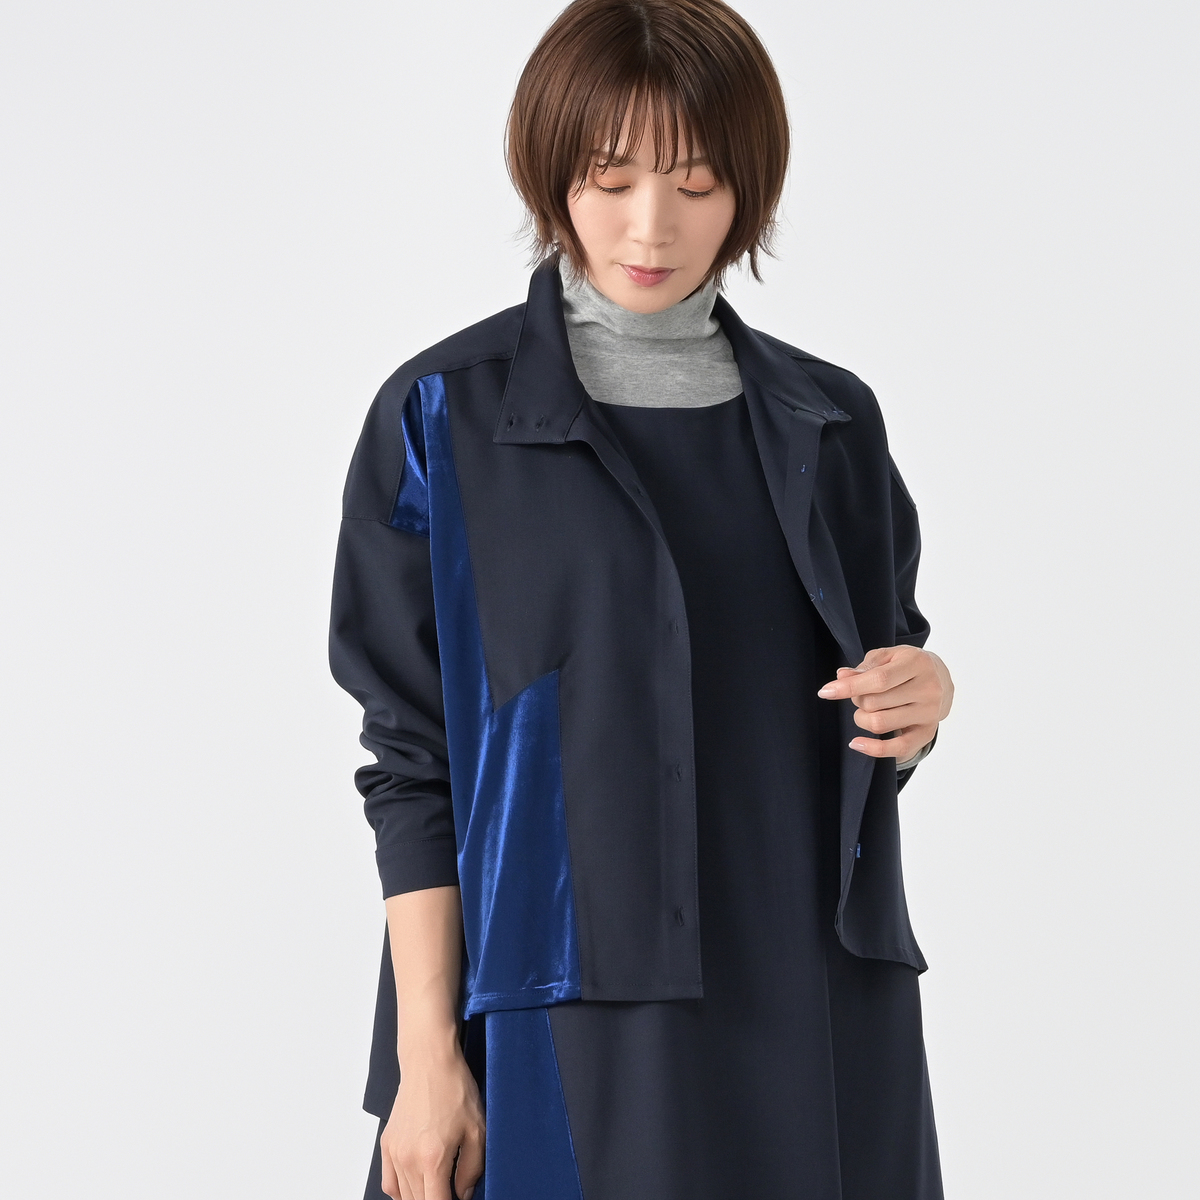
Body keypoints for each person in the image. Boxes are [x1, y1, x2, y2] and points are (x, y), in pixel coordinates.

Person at [329, 2, 955, 1197]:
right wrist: (424, 1061)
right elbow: (414, 763)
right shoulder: (446, 418)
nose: (652, 226)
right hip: (560, 1015)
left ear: (750, 187)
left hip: (813, 1007)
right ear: (550, 171)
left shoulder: (829, 423)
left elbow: (861, 699)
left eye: (699, 183)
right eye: (610, 180)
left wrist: (920, 700)